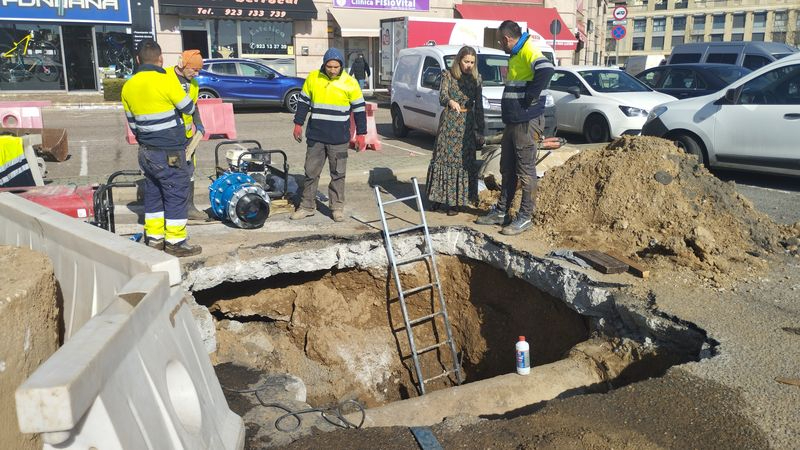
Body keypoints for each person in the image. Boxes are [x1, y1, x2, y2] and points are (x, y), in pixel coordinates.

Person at [121, 39, 201, 256]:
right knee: (176, 193)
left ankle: (155, 239)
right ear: (161, 59)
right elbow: (187, 107)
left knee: (154, 193)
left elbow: (133, 124)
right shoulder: (166, 81)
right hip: (170, 151)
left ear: (138, 60)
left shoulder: (128, 86)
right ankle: (175, 243)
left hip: (146, 151)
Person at [475, 20, 555, 235]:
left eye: (501, 41)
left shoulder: (528, 50)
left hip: (526, 122)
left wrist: (531, 95)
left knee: (525, 171)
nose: (501, 44)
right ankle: (501, 211)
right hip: (513, 121)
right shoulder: (516, 54)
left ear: (507, 39)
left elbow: (547, 69)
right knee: (507, 168)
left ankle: (524, 217)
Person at [290, 48, 367, 222]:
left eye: (336, 67)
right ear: (324, 64)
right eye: (329, 66)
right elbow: (303, 103)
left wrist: (362, 134)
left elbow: (360, 110)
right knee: (310, 172)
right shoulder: (313, 78)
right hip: (316, 136)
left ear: (341, 66)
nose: (332, 70)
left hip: (339, 139)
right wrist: (297, 124)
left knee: (338, 174)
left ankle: (337, 208)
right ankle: (307, 206)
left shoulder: (350, 83)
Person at [425, 45, 484, 216]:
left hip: (467, 124)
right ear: (459, 61)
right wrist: (450, 101)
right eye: (466, 61)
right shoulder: (448, 75)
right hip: (450, 123)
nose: (469, 65)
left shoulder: (477, 79)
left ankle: (455, 202)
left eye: (472, 62)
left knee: (462, 162)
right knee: (442, 159)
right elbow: (442, 97)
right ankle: (437, 198)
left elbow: (479, 106)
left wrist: (480, 129)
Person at [167, 49, 206, 220]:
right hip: (169, 136)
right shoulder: (166, 77)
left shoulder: (194, 84)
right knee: (172, 170)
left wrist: (199, 124)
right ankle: (173, 209)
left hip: (188, 137)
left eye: (199, 70)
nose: (196, 73)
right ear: (182, 65)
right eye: (194, 69)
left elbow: (194, 105)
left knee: (189, 170)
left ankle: (189, 207)